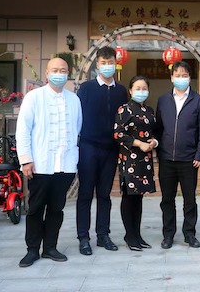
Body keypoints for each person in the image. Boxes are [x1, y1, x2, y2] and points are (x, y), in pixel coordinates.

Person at [16, 57, 82, 267]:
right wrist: (26, 160)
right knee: (35, 208)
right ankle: (32, 249)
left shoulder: (74, 100)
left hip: (65, 165)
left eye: (63, 70)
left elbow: (77, 129)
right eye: (55, 70)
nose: (59, 73)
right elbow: (23, 130)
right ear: (46, 73)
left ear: (68, 74)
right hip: (40, 164)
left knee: (56, 209)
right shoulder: (34, 97)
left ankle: (50, 247)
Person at [76, 46, 128, 255]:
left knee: (105, 194)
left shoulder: (121, 91)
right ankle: (83, 237)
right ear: (97, 65)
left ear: (116, 64)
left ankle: (103, 235)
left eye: (110, 63)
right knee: (85, 193)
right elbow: (77, 117)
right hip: (88, 146)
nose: (107, 66)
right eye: (103, 63)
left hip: (111, 149)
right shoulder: (86, 88)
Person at [156, 60, 200, 249]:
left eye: (184, 75)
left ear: (190, 77)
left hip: (189, 160)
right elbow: (158, 128)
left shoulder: (199, 101)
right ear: (172, 77)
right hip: (167, 159)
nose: (181, 78)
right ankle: (168, 235)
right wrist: (159, 151)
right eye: (177, 75)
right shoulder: (163, 100)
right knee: (167, 199)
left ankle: (189, 234)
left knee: (190, 200)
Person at [114, 75, 157, 251]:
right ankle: (129, 235)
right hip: (130, 158)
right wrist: (139, 143)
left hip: (145, 159)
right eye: (137, 88)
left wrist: (154, 142)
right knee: (129, 197)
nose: (141, 91)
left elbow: (154, 131)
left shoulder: (149, 110)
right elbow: (118, 134)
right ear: (131, 90)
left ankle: (137, 234)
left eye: (144, 88)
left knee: (139, 197)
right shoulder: (124, 110)